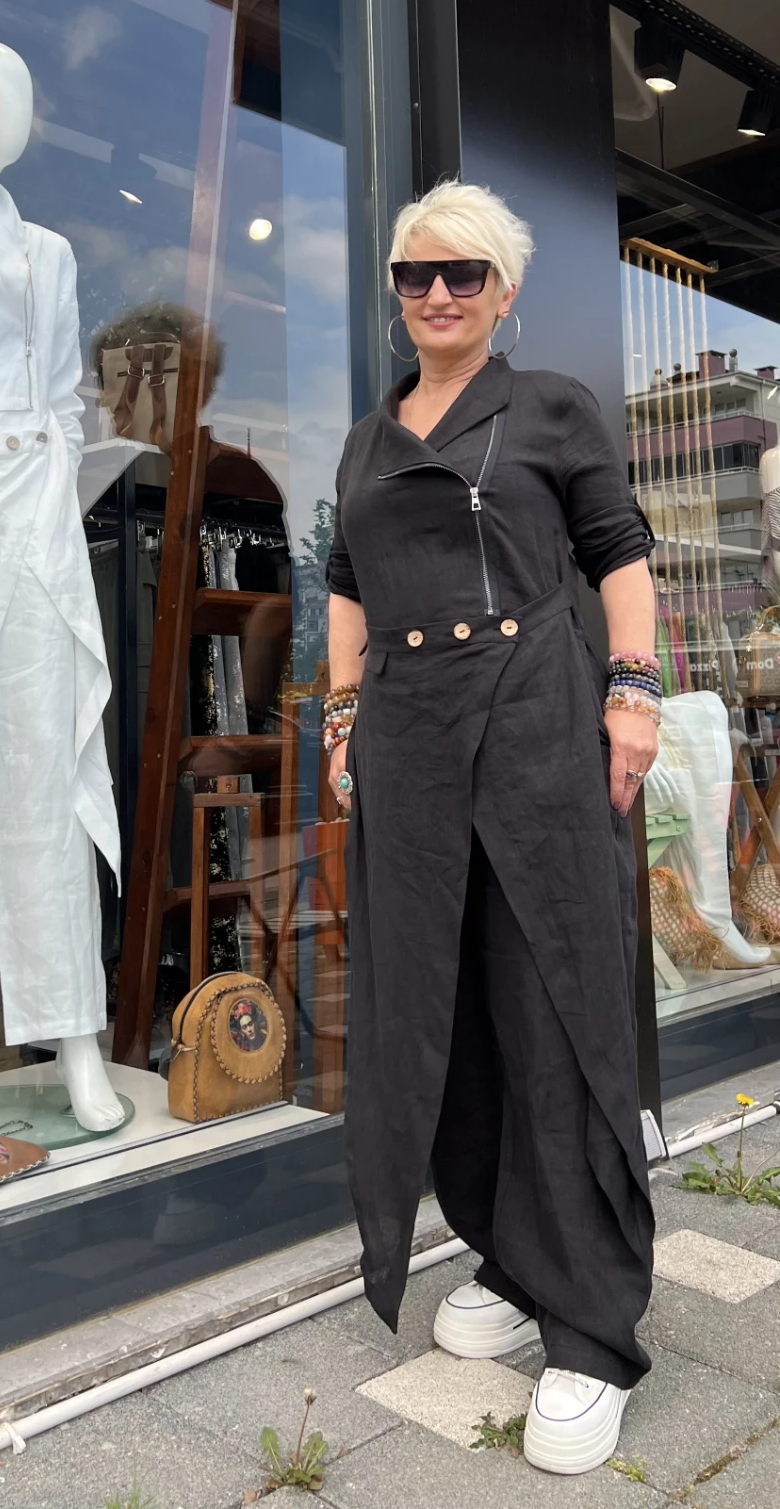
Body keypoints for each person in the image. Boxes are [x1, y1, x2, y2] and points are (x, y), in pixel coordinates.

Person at [324, 180, 658, 1477]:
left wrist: (633, 694)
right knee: (439, 1009)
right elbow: (346, 585)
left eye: (461, 273)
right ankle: (511, 1260)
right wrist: (341, 721)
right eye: (414, 274)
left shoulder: (552, 407)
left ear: (502, 292)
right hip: (407, 746)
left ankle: (590, 1326)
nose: (436, 293)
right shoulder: (365, 441)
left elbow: (617, 552)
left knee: (550, 1006)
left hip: (533, 727)